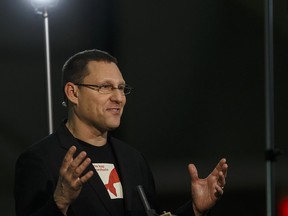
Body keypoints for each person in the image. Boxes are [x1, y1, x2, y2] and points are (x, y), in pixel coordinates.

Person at [14, 49, 228, 216]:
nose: (119, 98)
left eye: (121, 88)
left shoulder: (133, 159)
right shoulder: (40, 160)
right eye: (106, 87)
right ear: (73, 92)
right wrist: (59, 203)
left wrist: (195, 210)